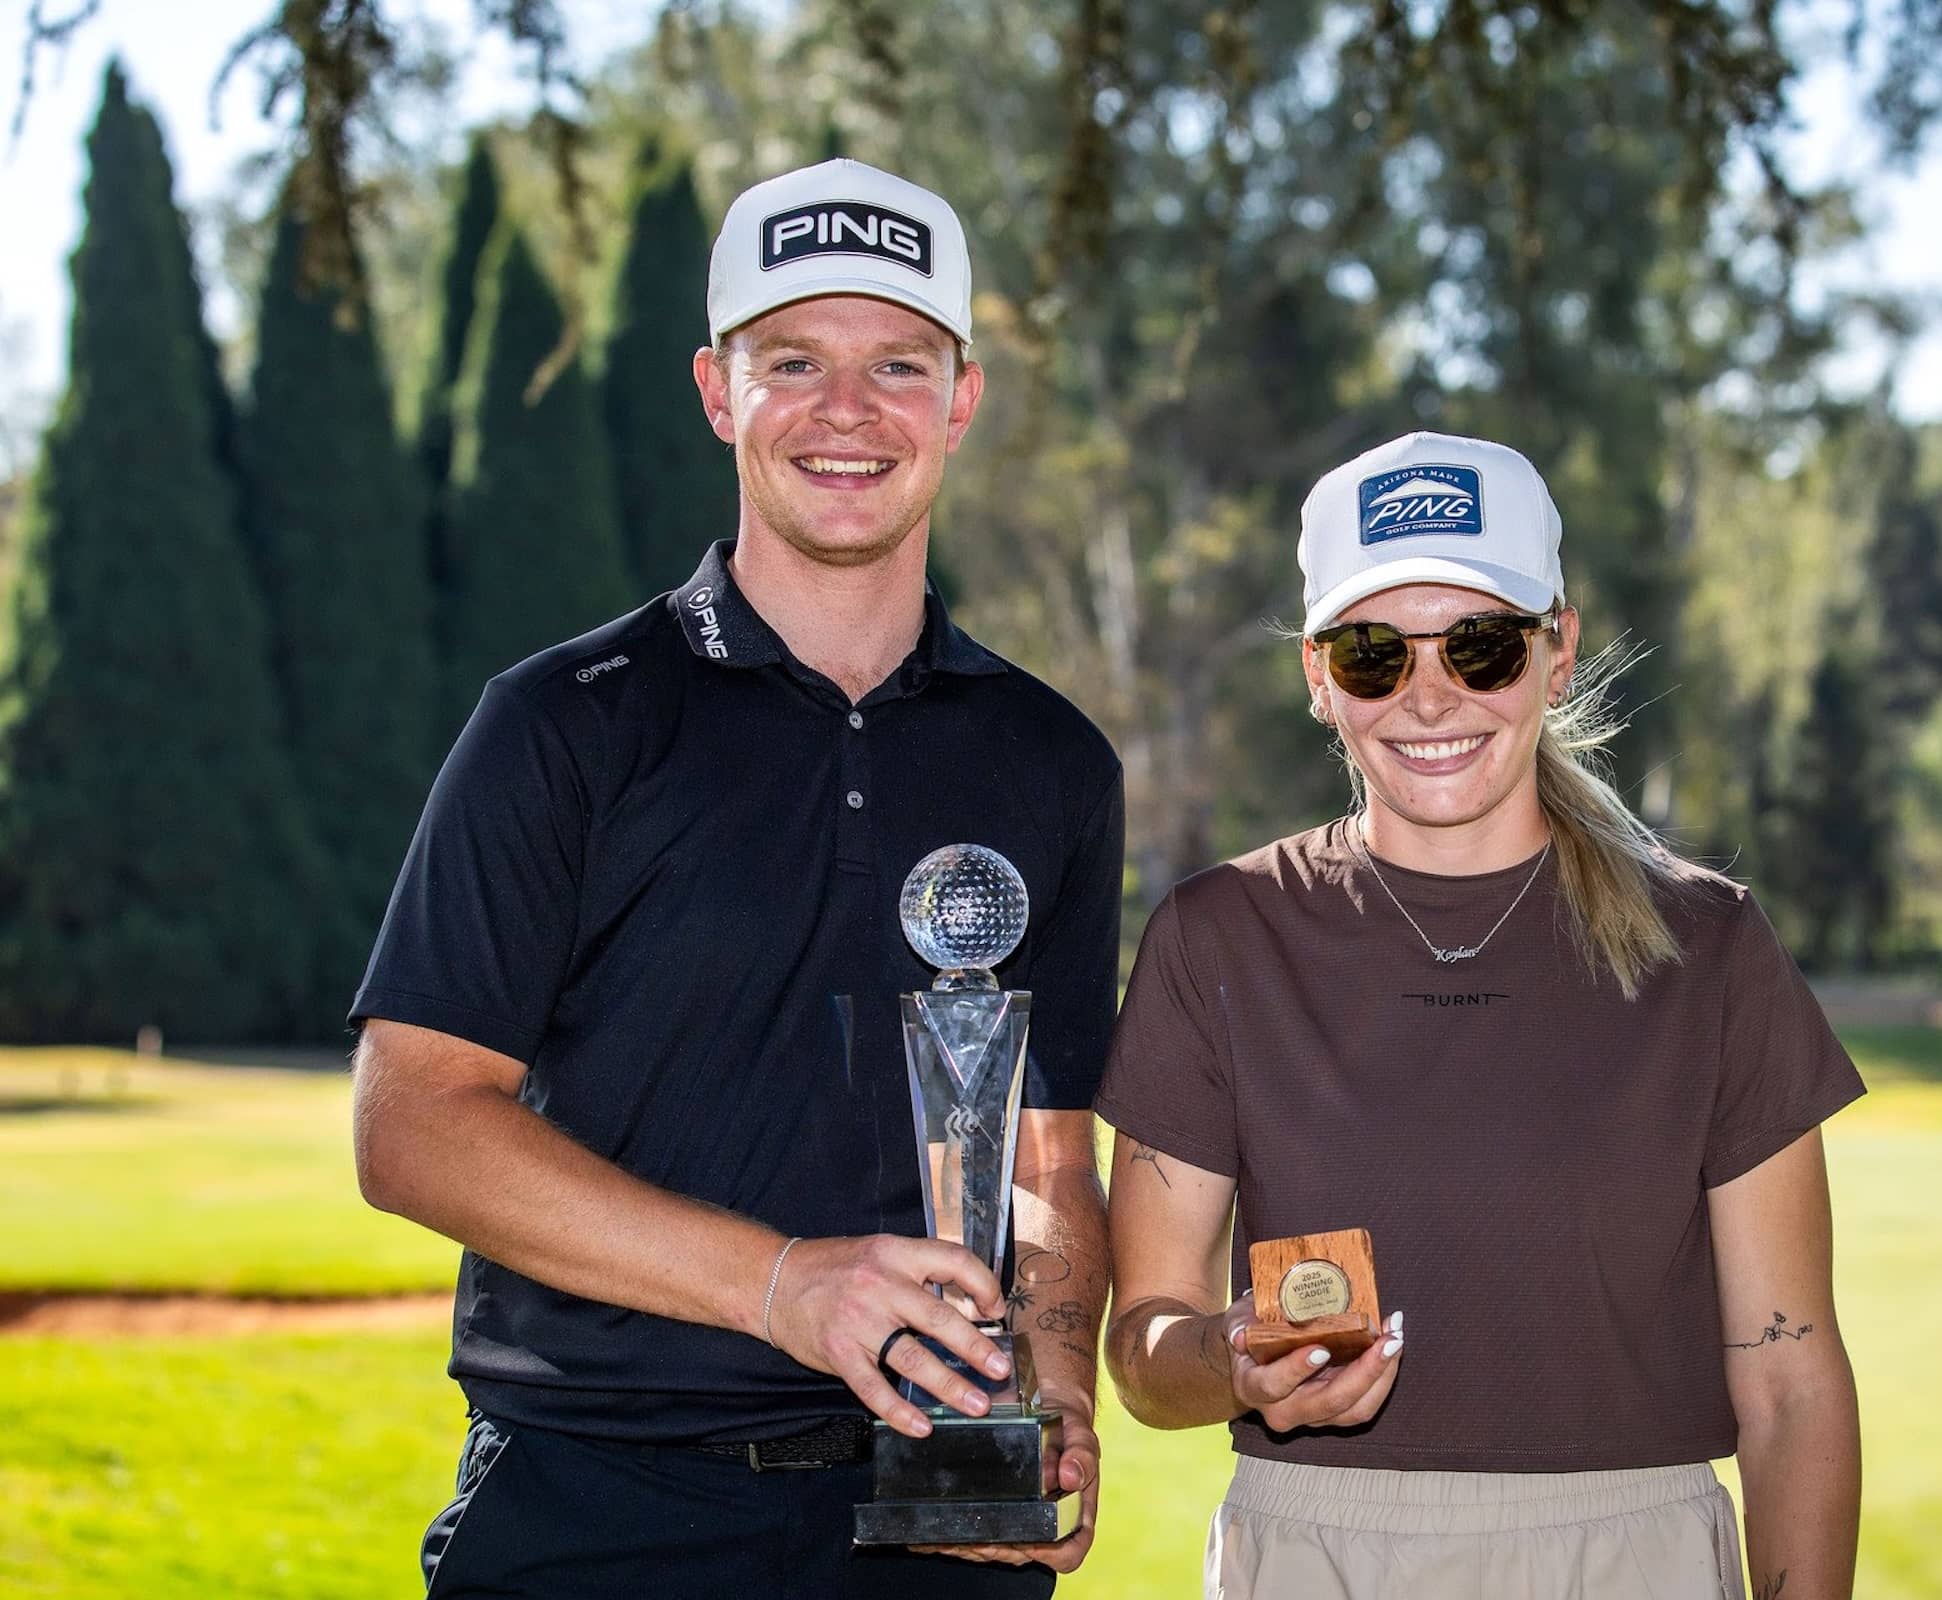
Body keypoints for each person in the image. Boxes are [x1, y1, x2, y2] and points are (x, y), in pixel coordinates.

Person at [351, 158, 1120, 1597]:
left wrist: (1060, 1381)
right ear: (719, 393)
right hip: (602, 1506)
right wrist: (787, 1289)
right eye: (793, 362)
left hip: (937, 1513)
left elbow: (1051, 1155)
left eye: (899, 362)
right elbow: (411, 1125)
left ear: (962, 398)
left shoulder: (1054, 761)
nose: (848, 411)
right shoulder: (564, 721)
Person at [1097, 432, 1864, 1599]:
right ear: (1318, 675)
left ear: (1556, 653)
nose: (1430, 696)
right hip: (1313, 1557)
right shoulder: (1216, 938)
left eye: (1482, 644)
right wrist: (1236, 1361)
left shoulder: (1709, 948)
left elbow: (1793, 1380)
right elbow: (1147, 1346)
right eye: (1373, 653)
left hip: (1636, 1559)